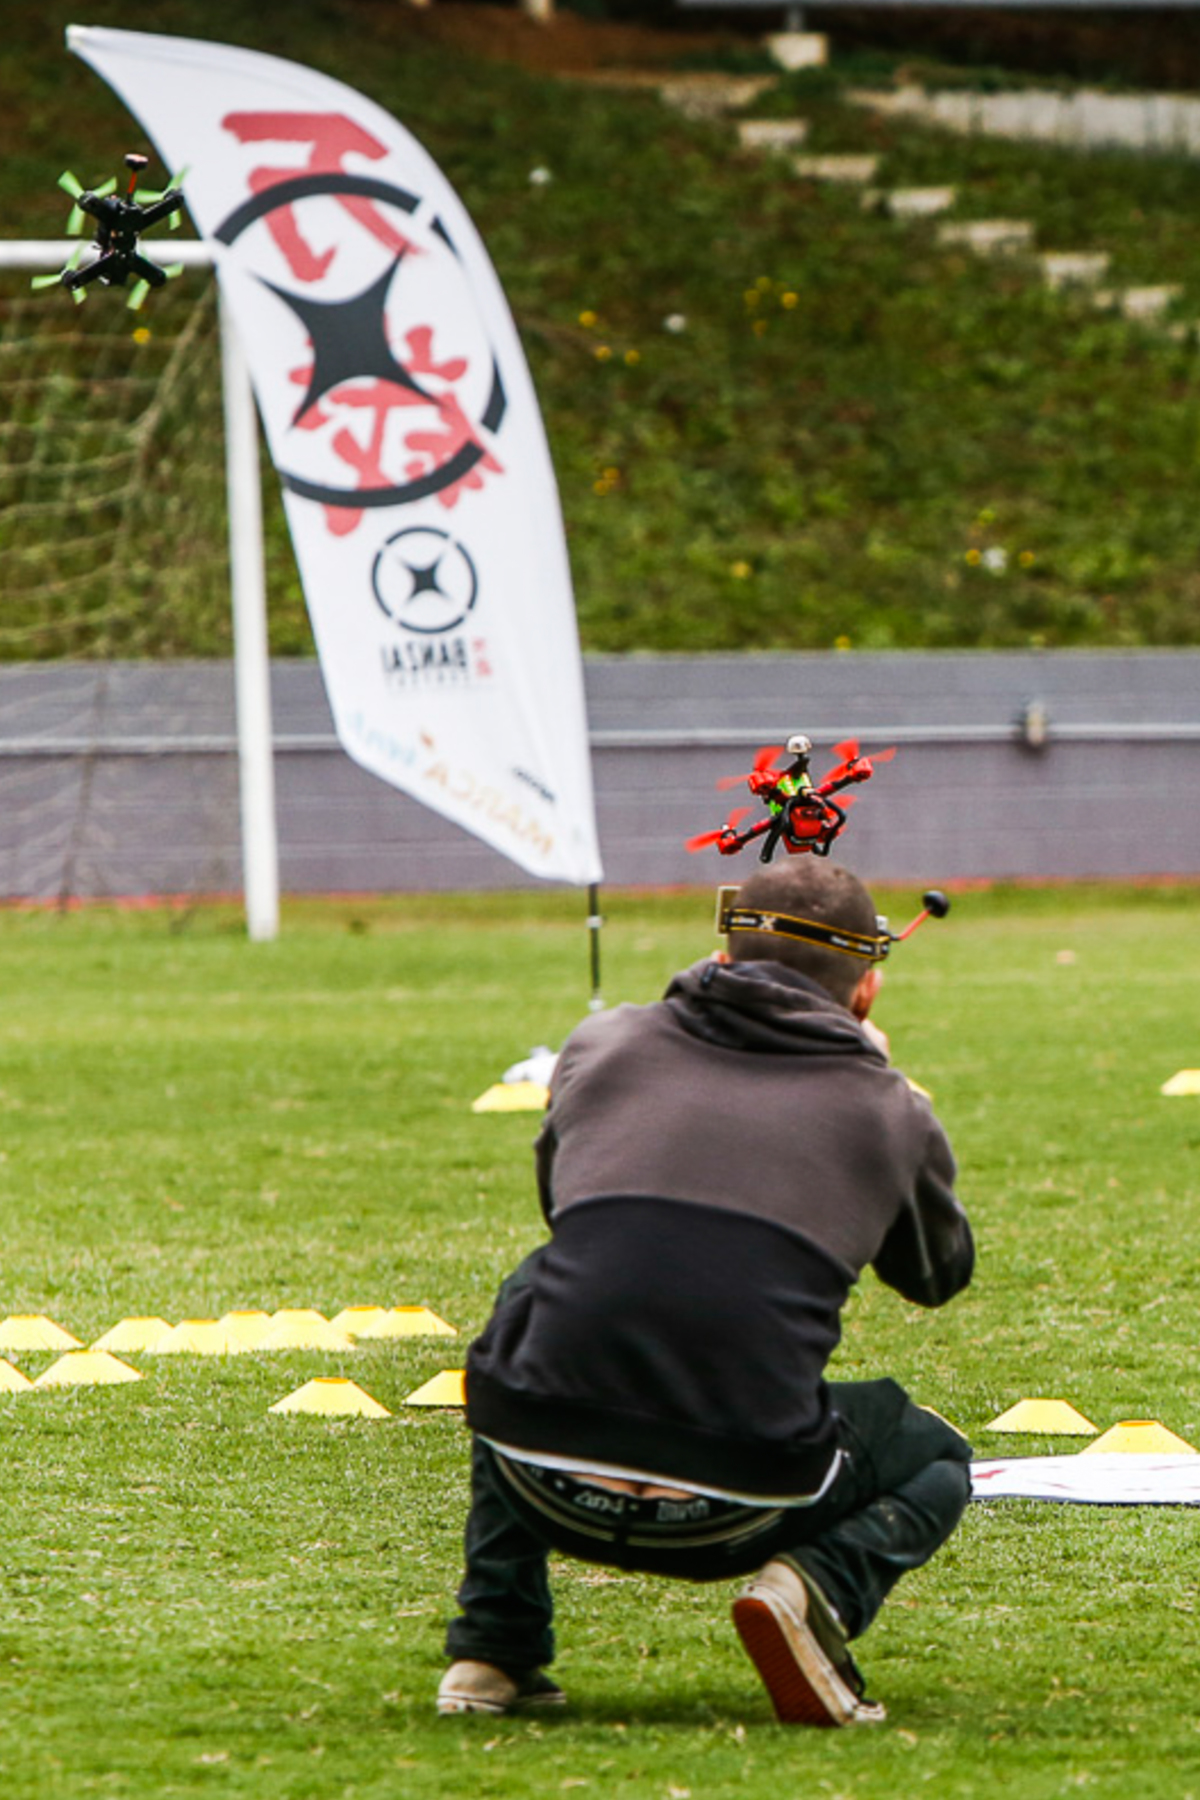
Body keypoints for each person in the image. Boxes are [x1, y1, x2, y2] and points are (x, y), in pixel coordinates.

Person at [439, 856, 974, 1726]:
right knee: (938, 1455)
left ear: (721, 955)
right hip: (739, 1509)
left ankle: (491, 1650)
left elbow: (562, 1208)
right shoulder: (889, 1109)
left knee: (533, 1301)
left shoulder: (601, 1043)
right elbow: (936, 1277)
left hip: (538, 1474)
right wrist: (875, 1090)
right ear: (867, 990)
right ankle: (811, 1589)